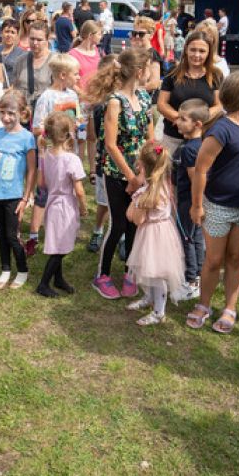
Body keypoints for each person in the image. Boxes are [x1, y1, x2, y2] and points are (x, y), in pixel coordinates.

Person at [184, 71, 239, 335]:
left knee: (235, 257)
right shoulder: (220, 130)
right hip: (219, 205)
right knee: (214, 260)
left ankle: (230, 307)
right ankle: (204, 304)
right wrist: (197, 205)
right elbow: (200, 169)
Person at [89, 49, 155, 300]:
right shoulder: (115, 102)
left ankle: (129, 271)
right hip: (118, 173)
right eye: (148, 67)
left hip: (141, 172)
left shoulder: (145, 98)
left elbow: (150, 137)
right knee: (117, 223)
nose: (150, 72)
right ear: (139, 71)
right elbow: (110, 144)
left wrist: (151, 166)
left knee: (135, 223)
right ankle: (102, 275)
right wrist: (131, 177)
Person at [27, 54, 83, 256]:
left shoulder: (73, 96)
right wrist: (52, 136)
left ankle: (61, 229)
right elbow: (36, 127)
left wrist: (76, 126)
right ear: (62, 75)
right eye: (75, 74)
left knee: (66, 194)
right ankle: (33, 235)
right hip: (50, 156)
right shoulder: (47, 98)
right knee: (44, 195)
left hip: (69, 155)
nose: (79, 77)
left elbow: (76, 119)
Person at [125, 142, 185, 326]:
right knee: (149, 270)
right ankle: (149, 298)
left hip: (154, 235)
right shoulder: (164, 185)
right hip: (161, 230)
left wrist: (134, 199)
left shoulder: (147, 193)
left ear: (142, 166)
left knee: (156, 273)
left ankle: (159, 311)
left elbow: (135, 219)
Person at [36, 111, 88, 298]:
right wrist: (83, 207)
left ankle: (58, 279)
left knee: (59, 243)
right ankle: (43, 283)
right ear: (68, 134)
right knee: (60, 249)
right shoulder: (71, 159)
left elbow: (41, 184)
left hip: (52, 202)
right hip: (65, 205)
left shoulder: (46, 155)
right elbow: (80, 190)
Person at [0, 89, 37, 289]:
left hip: (14, 196)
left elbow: (32, 170)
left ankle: (22, 269)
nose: (5, 117)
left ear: (22, 114)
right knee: (0, 234)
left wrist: (26, 197)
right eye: (2, 112)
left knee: (12, 235)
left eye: (10, 113)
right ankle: (5, 268)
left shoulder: (27, 138)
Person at [157, 30, 222, 156]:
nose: (196, 55)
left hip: (203, 139)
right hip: (173, 138)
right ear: (186, 49)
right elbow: (162, 104)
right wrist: (182, 121)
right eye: (193, 50)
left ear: (209, 53)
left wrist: (197, 122)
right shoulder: (173, 73)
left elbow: (219, 105)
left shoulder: (215, 75)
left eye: (202, 51)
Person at [172, 100, 210, 299]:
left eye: (183, 119)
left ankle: (191, 281)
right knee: (196, 238)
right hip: (195, 202)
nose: (177, 122)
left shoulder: (189, 150)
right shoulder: (200, 144)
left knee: (187, 238)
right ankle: (200, 277)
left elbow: (195, 177)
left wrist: (196, 205)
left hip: (189, 202)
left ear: (197, 124)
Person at [85, 54, 117, 254]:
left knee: (123, 202)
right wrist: (92, 167)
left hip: (125, 160)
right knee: (104, 202)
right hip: (104, 160)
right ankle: (98, 231)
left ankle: (121, 236)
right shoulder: (98, 105)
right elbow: (92, 138)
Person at [9, 20, 55, 113]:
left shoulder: (55, 61)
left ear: (47, 39)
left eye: (39, 40)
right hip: (23, 113)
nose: (35, 43)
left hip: (46, 113)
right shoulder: (20, 60)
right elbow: (14, 87)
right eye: (32, 38)